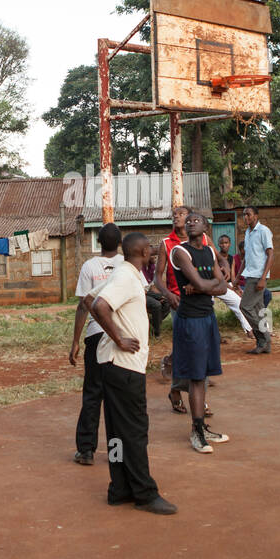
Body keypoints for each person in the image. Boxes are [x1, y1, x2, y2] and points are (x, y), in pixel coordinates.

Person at [88, 232, 178, 515]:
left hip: (115, 366)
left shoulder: (125, 274)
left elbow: (90, 300)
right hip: (124, 366)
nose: (153, 253)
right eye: (150, 250)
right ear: (142, 251)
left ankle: (120, 488)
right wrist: (118, 339)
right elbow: (98, 305)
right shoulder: (126, 277)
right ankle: (144, 492)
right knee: (135, 432)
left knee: (117, 432)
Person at [170, 212, 229, 453]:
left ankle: (202, 428)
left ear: (206, 227)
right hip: (190, 320)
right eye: (189, 220)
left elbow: (224, 287)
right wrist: (206, 286)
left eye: (197, 220)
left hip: (207, 318)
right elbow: (212, 284)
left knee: (203, 375)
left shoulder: (208, 252)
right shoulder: (180, 252)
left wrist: (202, 288)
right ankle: (196, 431)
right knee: (195, 377)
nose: (191, 222)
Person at [69, 223, 123, 465]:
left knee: (93, 392)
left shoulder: (89, 266)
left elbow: (83, 306)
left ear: (99, 242)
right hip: (122, 336)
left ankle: (86, 451)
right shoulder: (127, 265)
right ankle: (117, 453)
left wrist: (75, 342)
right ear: (120, 242)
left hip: (96, 334)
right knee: (118, 398)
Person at [153, 205, 193, 412]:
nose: (176, 217)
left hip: (201, 301)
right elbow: (157, 277)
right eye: (174, 215)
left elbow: (217, 260)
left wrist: (222, 271)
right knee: (186, 346)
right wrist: (168, 295)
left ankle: (189, 392)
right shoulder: (166, 244)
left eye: (181, 214)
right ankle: (180, 391)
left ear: (191, 218)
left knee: (199, 346)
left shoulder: (202, 239)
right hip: (179, 301)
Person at [239, 205, 274, 355]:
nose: (246, 217)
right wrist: (236, 278)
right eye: (244, 215)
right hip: (250, 275)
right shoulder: (248, 233)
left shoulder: (263, 231)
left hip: (257, 276)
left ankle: (264, 338)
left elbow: (270, 254)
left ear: (256, 216)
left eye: (248, 214)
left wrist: (263, 277)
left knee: (245, 307)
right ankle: (265, 344)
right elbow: (246, 258)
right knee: (259, 311)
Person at [213, 232, 252, 336]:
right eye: (222, 243)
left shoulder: (231, 258)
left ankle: (248, 329)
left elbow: (233, 276)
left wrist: (237, 288)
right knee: (208, 305)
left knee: (239, 302)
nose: (224, 245)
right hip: (215, 284)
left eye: (226, 243)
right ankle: (213, 334)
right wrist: (231, 288)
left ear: (230, 244)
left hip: (228, 284)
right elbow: (219, 278)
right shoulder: (216, 258)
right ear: (218, 244)